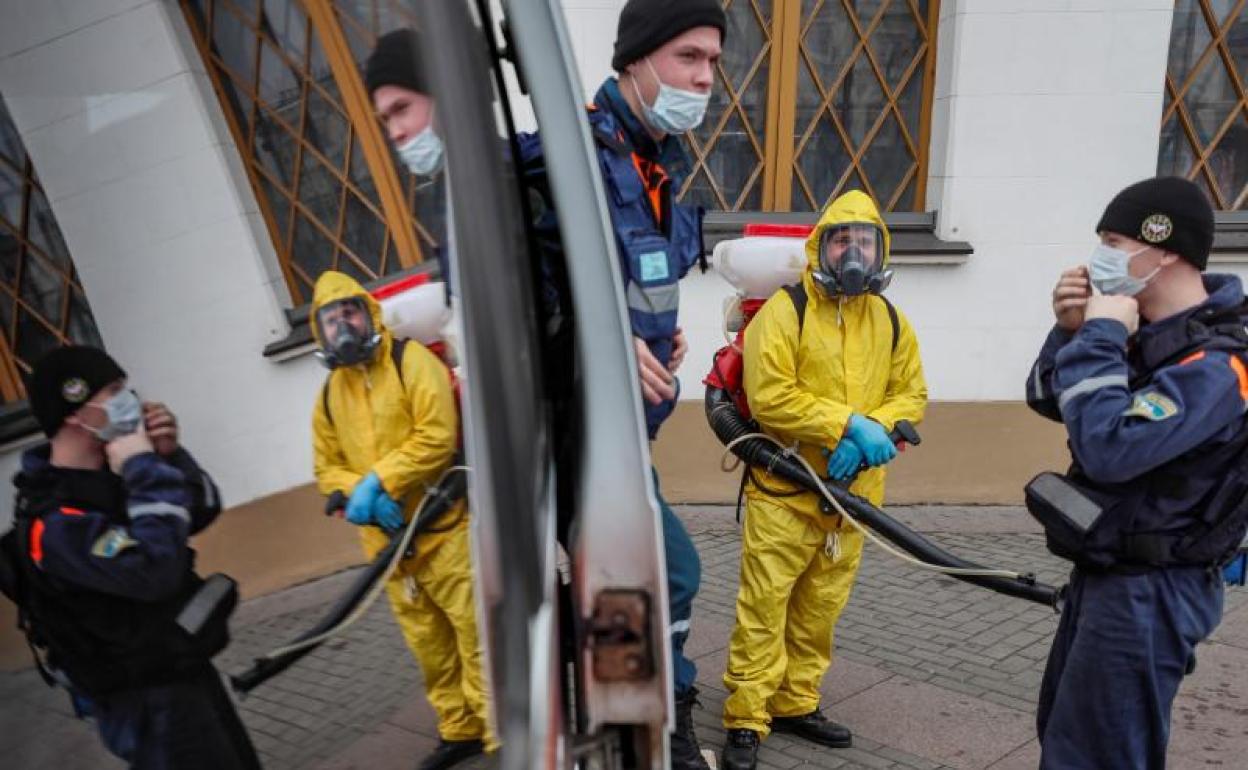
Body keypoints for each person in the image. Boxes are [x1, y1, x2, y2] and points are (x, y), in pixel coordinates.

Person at [518, 1, 726, 766]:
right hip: (579, 428)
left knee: (632, 586)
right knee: (663, 573)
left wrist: (650, 339)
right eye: (687, 57)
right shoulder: (569, 154)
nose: (704, 78)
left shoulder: (650, 160)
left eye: (712, 62)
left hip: (628, 429)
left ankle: (635, 720)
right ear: (635, 60)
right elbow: (516, 287)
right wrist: (595, 348)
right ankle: (641, 725)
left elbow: (622, 278)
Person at [1025, 176, 1247, 769]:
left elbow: (1108, 448)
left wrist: (1098, 335)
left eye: (1114, 240)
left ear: (1165, 246)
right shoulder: (1147, 336)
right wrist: (1070, 331)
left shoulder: (1217, 366)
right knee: (1066, 736)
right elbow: (1048, 398)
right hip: (1107, 574)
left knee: (1098, 756)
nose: (1101, 256)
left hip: (1152, 590)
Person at [720, 190, 927, 770]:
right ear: (821, 247)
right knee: (765, 606)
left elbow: (911, 392)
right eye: (842, 240)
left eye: (865, 240)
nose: (853, 251)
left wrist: (870, 437)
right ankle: (746, 716)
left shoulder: (889, 319)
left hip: (853, 496)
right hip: (785, 491)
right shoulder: (788, 312)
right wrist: (846, 425)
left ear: (880, 248)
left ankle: (795, 701)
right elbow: (770, 396)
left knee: (820, 607)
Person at [0, 345, 261, 769]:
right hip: (147, 703)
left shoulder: (107, 478)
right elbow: (153, 571)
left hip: (182, 671)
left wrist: (168, 454)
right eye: (116, 392)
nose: (133, 402)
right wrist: (141, 465)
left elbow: (202, 508)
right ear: (76, 412)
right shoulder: (55, 524)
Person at [310, 271, 493, 770]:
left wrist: (381, 482)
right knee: (429, 647)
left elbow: (437, 436)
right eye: (331, 319)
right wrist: (356, 494)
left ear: (367, 313)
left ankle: (503, 733)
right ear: (318, 330)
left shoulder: (409, 361)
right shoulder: (330, 394)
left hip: (443, 530)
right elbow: (327, 466)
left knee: (477, 639)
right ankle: (460, 731)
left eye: (349, 312)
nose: (342, 325)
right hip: (387, 546)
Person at [364, 27, 450, 293]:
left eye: (401, 109)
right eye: (386, 119)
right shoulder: (448, 189)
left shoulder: (500, 176)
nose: (395, 133)